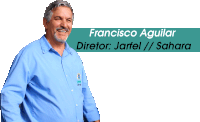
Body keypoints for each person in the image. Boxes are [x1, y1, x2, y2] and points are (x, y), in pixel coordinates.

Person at [1, 0, 100, 122]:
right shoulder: (29, 54)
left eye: (69, 20)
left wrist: (94, 118)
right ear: (45, 23)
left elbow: (84, 91)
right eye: (58, 18)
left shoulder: (74, 57)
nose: (64, 25)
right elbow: (9, 97)